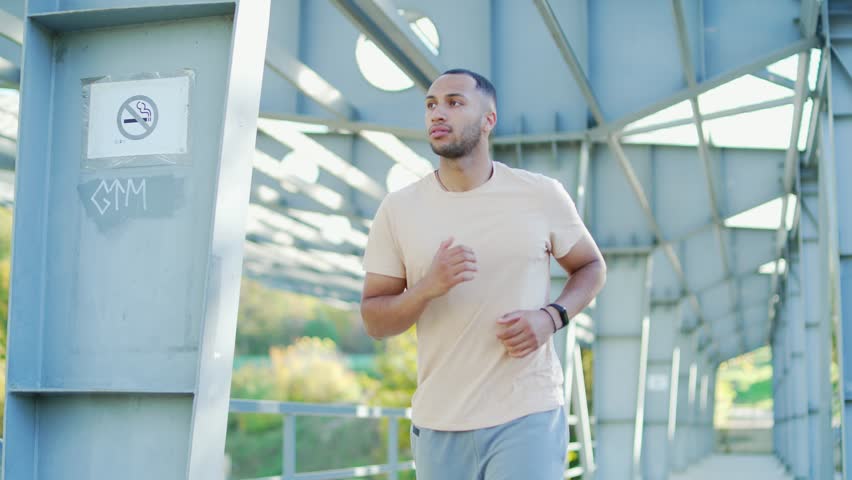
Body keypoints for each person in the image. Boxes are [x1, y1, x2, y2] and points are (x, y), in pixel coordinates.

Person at [360, 68, 606, 480]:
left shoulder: (540, 194)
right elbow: (374, 320)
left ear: (489, 119)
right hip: (439, 422)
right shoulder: (398, 209)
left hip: (526, 411)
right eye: (431, 105)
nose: (439, 113)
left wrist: (551, 317)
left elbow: (591, 267)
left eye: (455, 102)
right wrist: (426, 288)